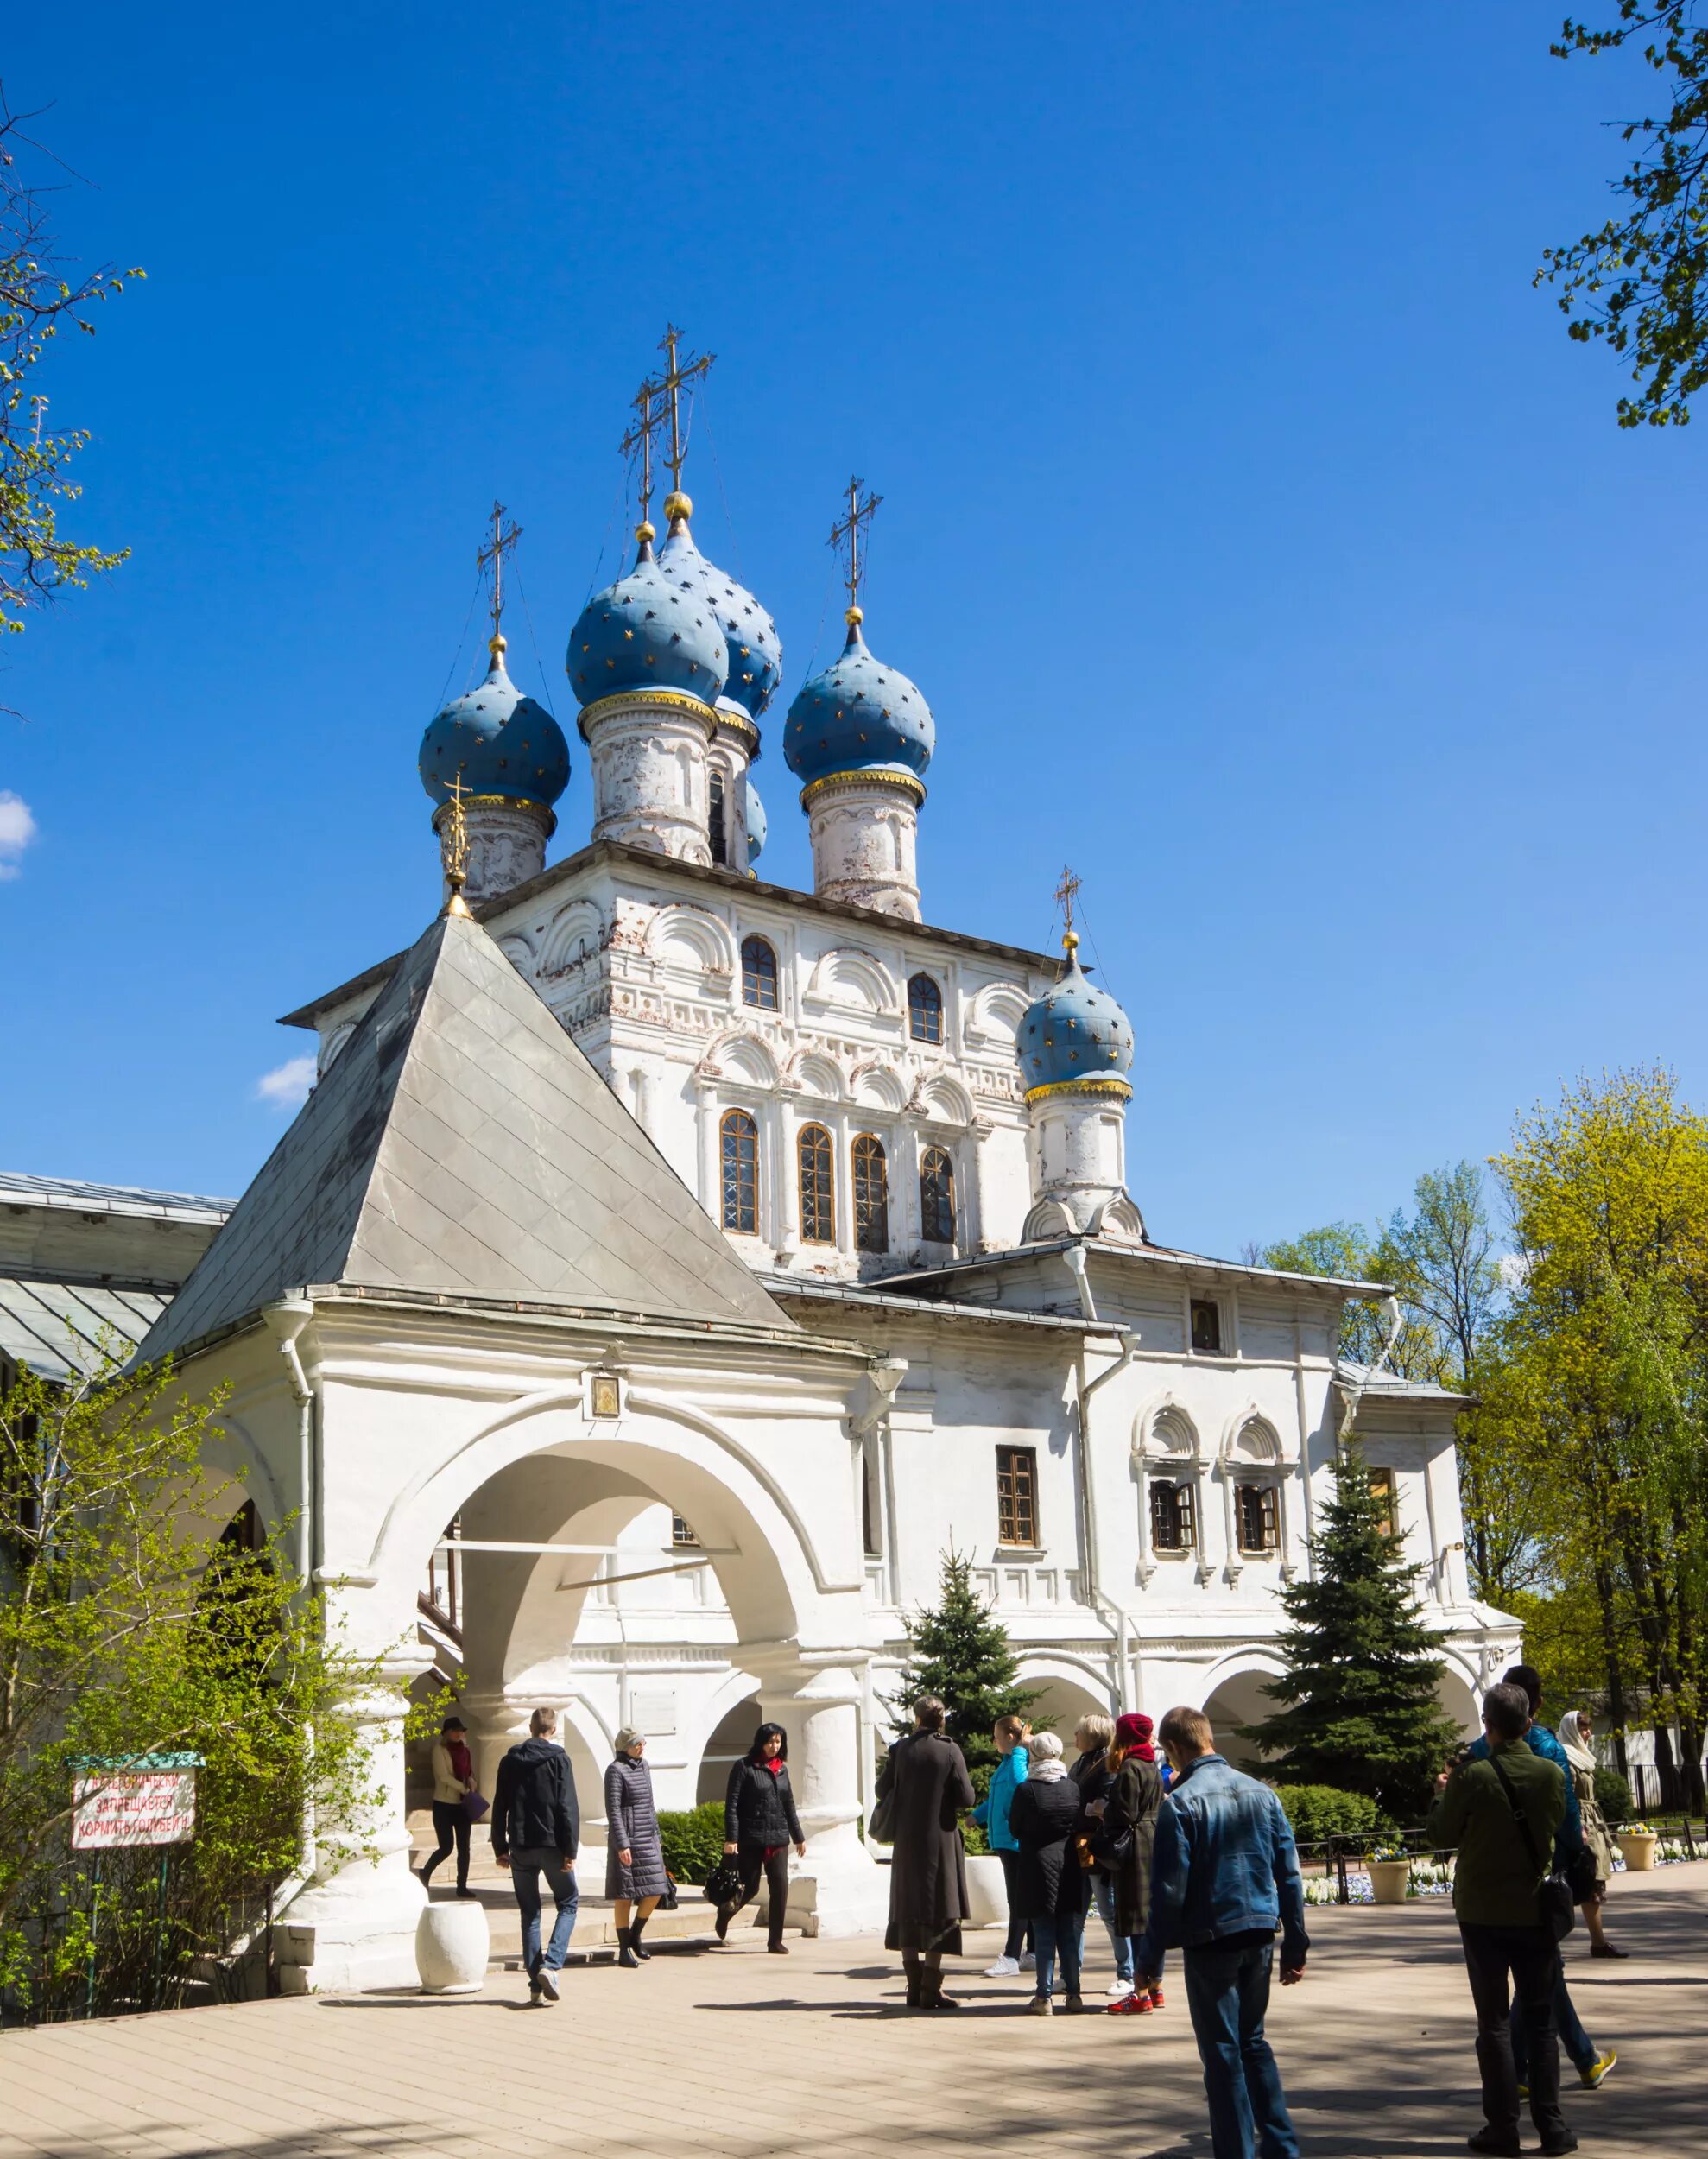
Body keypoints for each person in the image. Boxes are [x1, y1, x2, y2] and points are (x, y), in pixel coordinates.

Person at [1136, 1706, 1306, 2159]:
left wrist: (1150, 1959)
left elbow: (1169, 1891)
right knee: (1253, 2041)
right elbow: (1289, 1874)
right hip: (1259, 1932)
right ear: (1208, 1738)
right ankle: (1282, 2146)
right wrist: (1296, 1941)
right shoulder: (1263, 1794)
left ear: (1174, 1748)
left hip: (1211, 1937)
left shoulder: (1180, 1803)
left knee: (1223, 2053)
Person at [1427, 1682, 1576, 2157]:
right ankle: (1553, 2128)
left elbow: (1441, 1835)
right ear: (1528, 1722)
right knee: (1541, 2021)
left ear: (1487, 1725)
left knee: (1493, 2024)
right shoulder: (1550, 1773)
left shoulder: (1472, 1777)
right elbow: (1558, 1827)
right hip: (1535, 1910)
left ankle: (1502, 2128)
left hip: (1482, 1913)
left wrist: (1441, 1795)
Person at [1466, 1665, 1616, 2093]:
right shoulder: (1547, 1746)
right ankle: (1555, 2067)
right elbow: (1566, 1810)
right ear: (1537, 1702)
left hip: (1489, 1881)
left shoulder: (1479, 1750)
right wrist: (1577, 1852)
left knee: (1543, 1972)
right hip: (1542, 1873)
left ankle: (1563, 2063)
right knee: (1543, 1970)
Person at [875, 1694, 976, 2010]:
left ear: (917, 1719)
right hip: (940, 1839)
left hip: (907, 1840)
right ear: (941, 1720)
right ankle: (930, 1989)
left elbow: (881, 1789)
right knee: (939, 1907)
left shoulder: (901, 1749)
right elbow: (967, 1798)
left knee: (907, 1906)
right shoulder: (949, 1749)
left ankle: (914, 1987)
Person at [490, 1706, 580, 2004]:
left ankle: (535, 1987)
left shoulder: (510, 1761)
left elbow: (500, 1805)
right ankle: (551, 1966)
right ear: (553, 1730)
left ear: (530, 1728)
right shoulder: (559, 1759)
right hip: (553, 1845)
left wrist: (500, 1847)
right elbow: (567, 1807)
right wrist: (570, 1850)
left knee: (530, 1913)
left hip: (521, 1846)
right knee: (568, 1902)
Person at [1008, 1729, 1090, 2015]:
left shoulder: (1026, 1791)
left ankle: (1043, 1998)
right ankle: (1074, 1995)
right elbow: (1079, 1821)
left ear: (1034, 1755)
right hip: (1068, 1864)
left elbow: (1015, 1827)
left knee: (1043, 1932)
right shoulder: (1072, 1788)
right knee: (1068, 1932)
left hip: (1037, 1865)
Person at [718, 1722, 807, 1953]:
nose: (774, 1746)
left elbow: (788, 1805)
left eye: (778, 1742)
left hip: (778, 1837)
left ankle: (775, 1941)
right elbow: (732, 1806)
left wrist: (798, 1836)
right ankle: (725, 1913)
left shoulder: (782, 1769)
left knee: (780, 1886)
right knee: (750, 1887)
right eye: (770, 1742)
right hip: (751, 1837)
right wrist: (732, 1838)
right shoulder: (744, 1767)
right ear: (760, 1742)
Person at [1099, 1711, 1166, 2016]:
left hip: (1134, 1845)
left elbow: (1124, 1813)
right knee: (1152, 1918)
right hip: (1154, 1839)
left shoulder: (1130, 1767)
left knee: (1138, 1920)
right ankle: (1157, 1988)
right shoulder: (1152, 1764)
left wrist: (1103, 1809)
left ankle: (1140, 1994)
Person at [1067, 1713, 1129, 1996]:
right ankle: (1071, 1975)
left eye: (1079, 1732)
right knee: (1075, 1916)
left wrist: (1086, 1809)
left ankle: (1126, 1972)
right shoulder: (1079, 1763)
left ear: (1092, 1735)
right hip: (1077, 1845)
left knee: (1109, 1913)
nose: (1075, 1736)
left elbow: (1105, 1802)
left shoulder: (1106, 1764)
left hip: (1096, 1846)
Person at [1557, 1709, 1625, 1959]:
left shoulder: (1583, 1756)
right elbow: (1566, 1795)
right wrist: (1578, 1825)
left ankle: (1598, 1943)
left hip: (1592, 1822)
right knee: (1580, 1881)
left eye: (1588, 1728)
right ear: (1571, 1730)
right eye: (1583, 1728)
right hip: (1580, 1824)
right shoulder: (1565, 1756)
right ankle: (1556, 1944)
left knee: (1593, 1883)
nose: (1587, 1733)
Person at [975, 1713, 1034, 1977]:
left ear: (1010, 1737)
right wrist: (977, 1815)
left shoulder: (1020, 1760)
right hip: (1006, 1841)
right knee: (1023, 1899)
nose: (994, 1742)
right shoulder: (1006, 1763)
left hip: (1015, 1841)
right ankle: (1033, 1953)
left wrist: (1021, 1751)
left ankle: (1011, 1957)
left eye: (997, 1737)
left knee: (1018, 1900)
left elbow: (1021, 1786)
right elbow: (999, 1797)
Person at [604, 1727, 668, 1969]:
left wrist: (657, 1834)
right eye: (637, 1744)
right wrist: (622, 1844)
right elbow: (613, 1810)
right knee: (625, 1895)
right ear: (625, 1747)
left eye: (643, 1743)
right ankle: (624, 1949)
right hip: (627, 1841)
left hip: (647, 1838)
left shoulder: (644, 1766)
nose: (642, 1747)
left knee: (657, 1888)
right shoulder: (615, 1771)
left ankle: (635, 1935)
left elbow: (650, 1804)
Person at [419, 1714, 478, 1897]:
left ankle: (462, 1886)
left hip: (462, 1804)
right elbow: (443, 1776)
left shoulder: (465, 1750)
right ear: (447, 1733)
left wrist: (471, 1781)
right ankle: (425, 1872)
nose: (458, 1734)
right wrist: (463, 1788)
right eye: (454, 1731)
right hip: (444, 1804)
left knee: (464, 1848)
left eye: (460, 1731)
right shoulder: (439, 1750)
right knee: (446, 1847)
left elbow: (469, 1771)